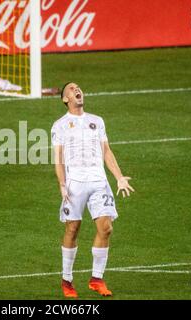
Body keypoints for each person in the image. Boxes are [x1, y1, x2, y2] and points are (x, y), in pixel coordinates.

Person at [51, 82, 135, 298]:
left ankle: (96, 279)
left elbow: (106, 151)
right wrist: (62, 184)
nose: (76, 90)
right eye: (71, 89)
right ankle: (67, 280)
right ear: (65, 99)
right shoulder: (59, 125)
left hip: (99, 182)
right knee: (72, 229)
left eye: (78, 88)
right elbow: (58, 159)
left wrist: (118, 178)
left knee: (106, 228)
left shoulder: (97, 121)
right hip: (74, 184)